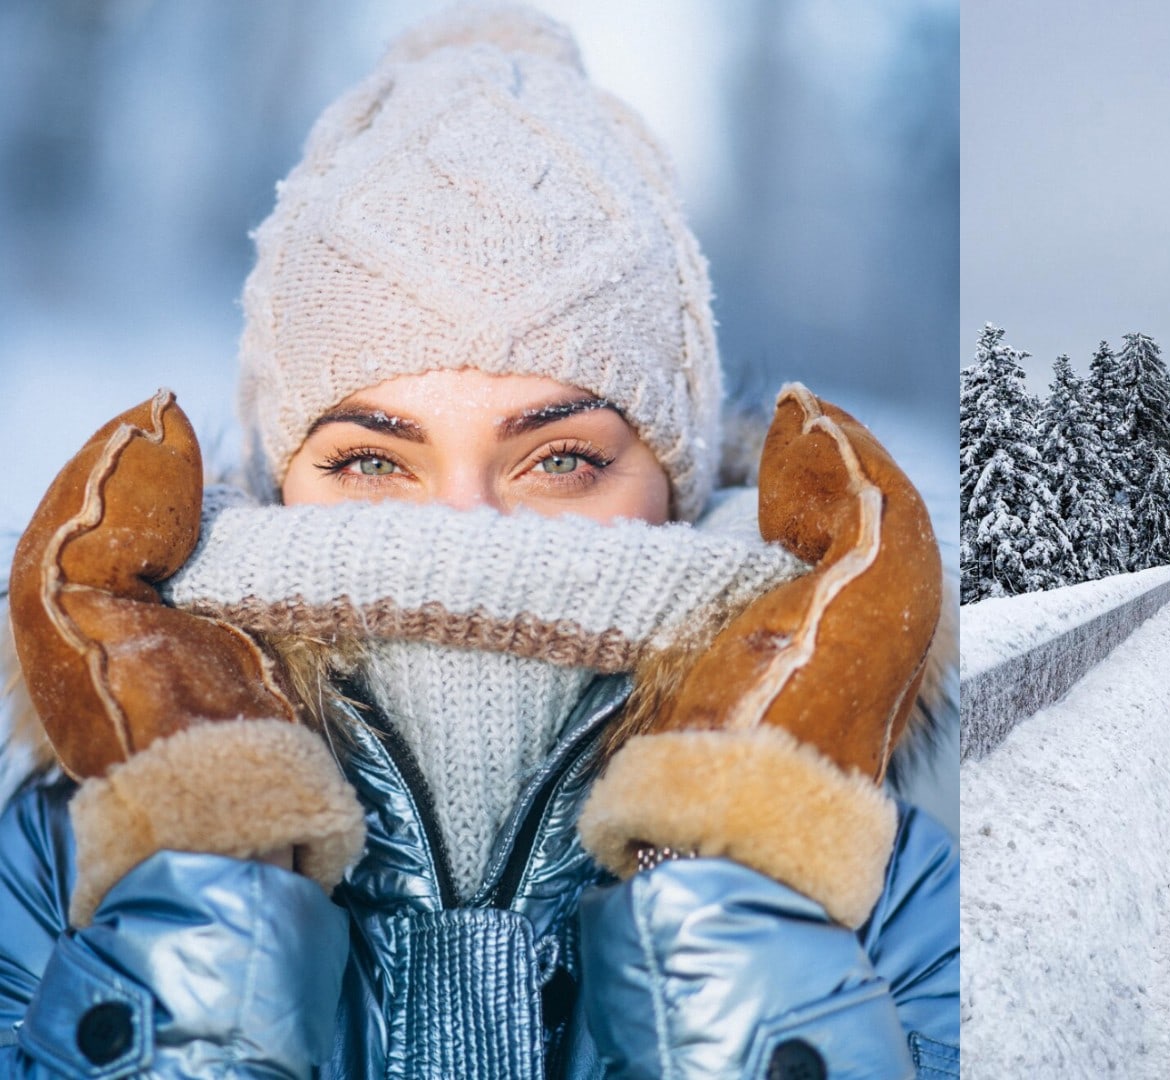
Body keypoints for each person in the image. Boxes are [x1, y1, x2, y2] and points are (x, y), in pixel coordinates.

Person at [0, 6, 958, 1079]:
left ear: (677, 483)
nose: (462, 535)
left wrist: (738, 894)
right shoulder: (72, 855)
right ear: (280, 478)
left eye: (560, 461)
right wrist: (200, 900)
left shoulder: (872, 874)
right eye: (372, 461)